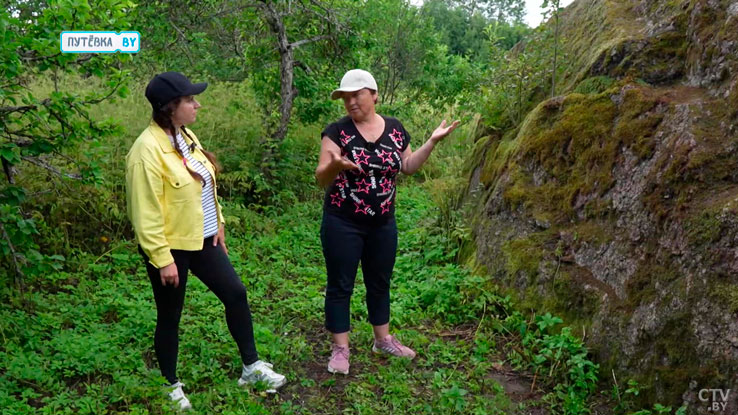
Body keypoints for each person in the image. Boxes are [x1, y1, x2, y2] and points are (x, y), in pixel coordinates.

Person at [125, 72, 286, 410]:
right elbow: (145, 212)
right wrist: (162, 257)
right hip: (172, 246)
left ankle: (251, 367)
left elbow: (202, 185)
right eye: (189, 100)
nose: (197, 104)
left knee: (236, 294)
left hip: (203, 239)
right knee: (170, 315)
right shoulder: (146, 151)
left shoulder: (185, 137)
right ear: (170, 107)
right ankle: (169, 385)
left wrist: (219, 223)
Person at [314, 69, 460, 375]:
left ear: (374, 95)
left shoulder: (394, 129)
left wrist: (431, 142)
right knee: (341, 284)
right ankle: (341, 348)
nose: (350, 102)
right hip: (343, 221)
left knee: (379, 282)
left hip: (382, 223)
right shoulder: (336, 132)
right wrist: (335, 166)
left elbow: (407, 166)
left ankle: (382, 340)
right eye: (345, 97)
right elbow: (320, 177)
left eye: (357, 95)